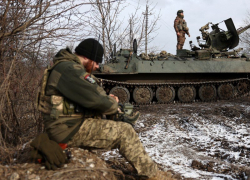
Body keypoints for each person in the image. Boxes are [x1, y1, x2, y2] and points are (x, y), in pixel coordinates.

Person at [34, 38, 174, 179]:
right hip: (67, 129)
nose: (97, 67)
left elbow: (88, 96)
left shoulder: (65, 67)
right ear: (87, 57)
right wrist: (113, 103)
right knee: (124, 132)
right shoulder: (70, 69)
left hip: (66, 125)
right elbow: (97, 99)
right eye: (96, 62)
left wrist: (106, 101)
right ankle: (152, 175)